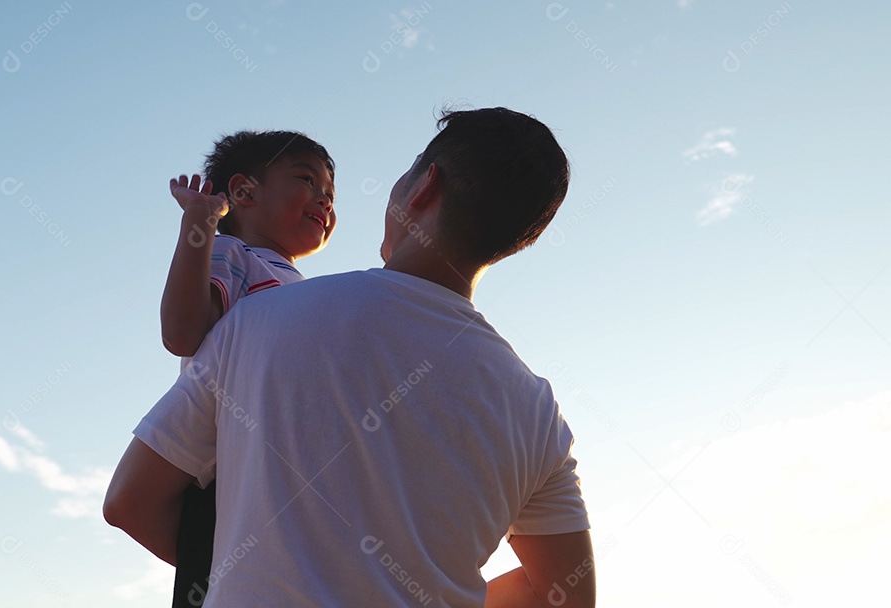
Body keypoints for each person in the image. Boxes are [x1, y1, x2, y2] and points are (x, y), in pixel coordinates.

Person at [105, 107, 595, 607]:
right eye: (307, 182)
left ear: (424, 186)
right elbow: (565, 596)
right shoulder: (539, 414)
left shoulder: (259, 321)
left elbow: (129, 504)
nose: (325, 202)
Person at [160, 130, 337, 607]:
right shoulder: (232, 254)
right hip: (228, 473)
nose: (325, 201)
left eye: (331, 195)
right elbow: (181, 331)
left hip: (280, 472)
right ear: (242, 192)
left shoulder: (299, 286)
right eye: (307, 180)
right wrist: (199, 223)